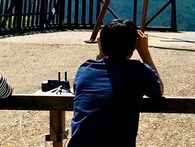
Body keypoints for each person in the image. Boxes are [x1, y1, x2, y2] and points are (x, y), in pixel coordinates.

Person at [69, 18, 164, 146]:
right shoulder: (139, 71)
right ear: (135, 46)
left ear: (101, 43)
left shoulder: (85, 69)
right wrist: (145, 53)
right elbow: (159, 90)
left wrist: (102, 54)